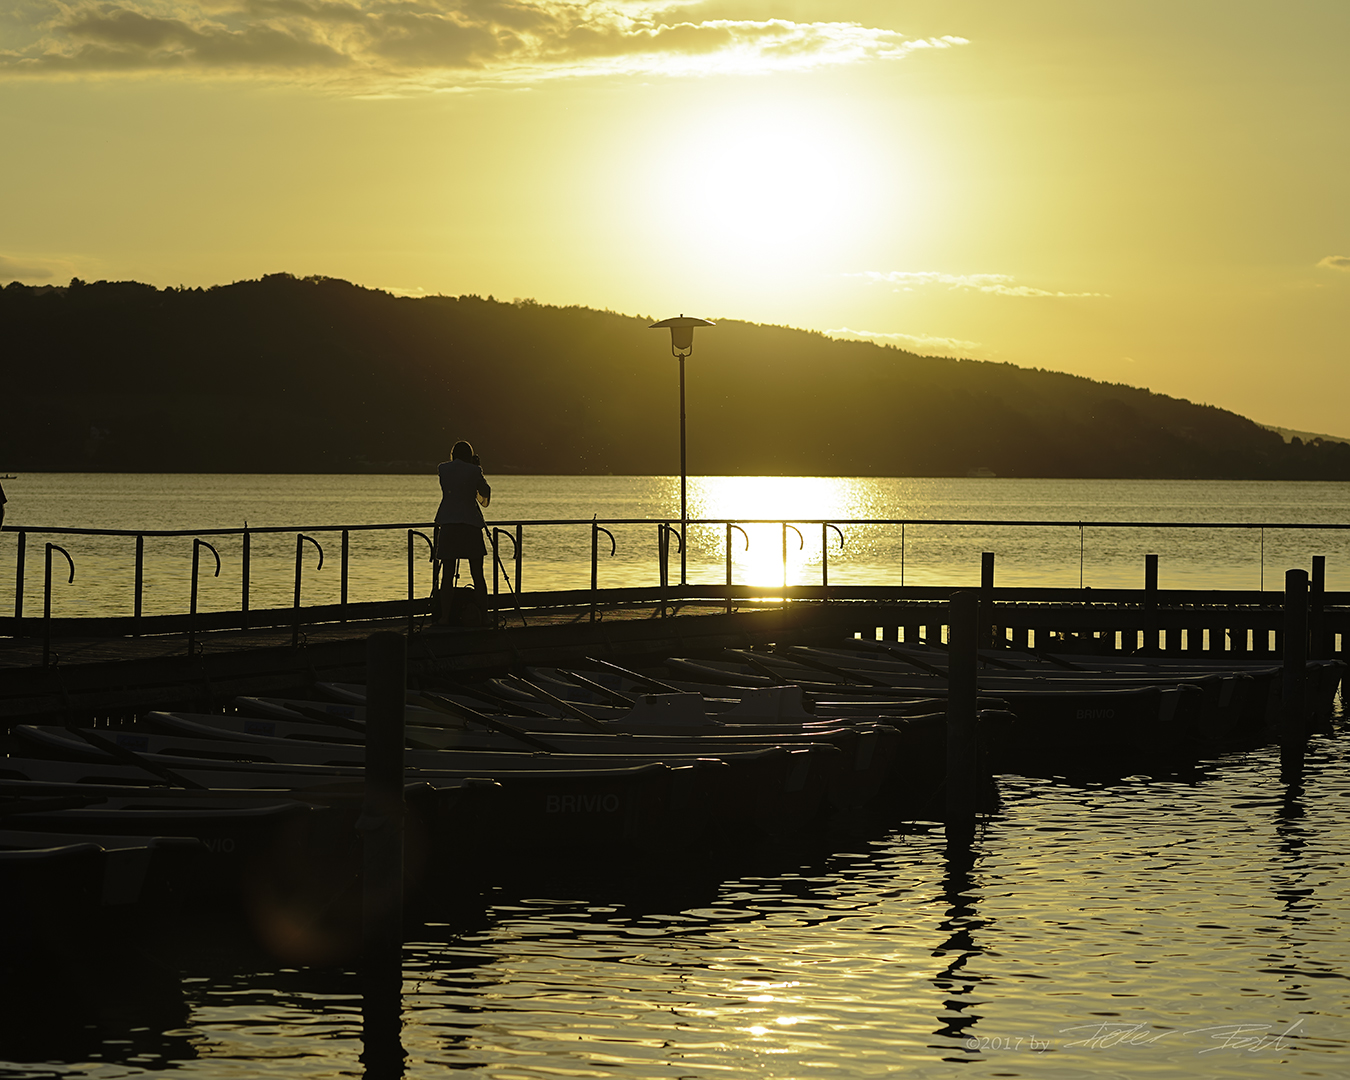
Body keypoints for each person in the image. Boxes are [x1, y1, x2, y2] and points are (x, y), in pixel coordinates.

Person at [434, 441, 491, 624]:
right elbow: (484, 493)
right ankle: (484, 615)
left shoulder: (442, 468)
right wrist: (476, 468)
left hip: (448, 523)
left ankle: (444, 616)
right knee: (477, 573)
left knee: (447, 574)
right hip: (470, 524)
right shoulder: (474, 470)